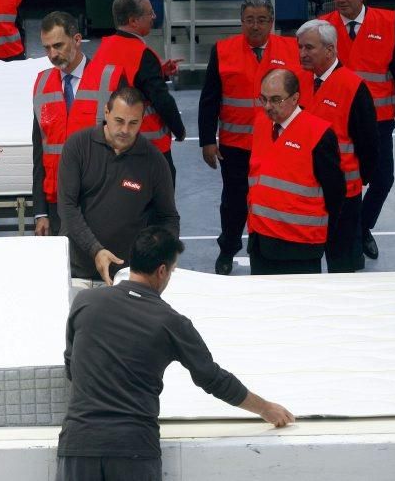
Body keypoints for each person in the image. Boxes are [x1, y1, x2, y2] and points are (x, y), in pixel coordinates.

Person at [57, 226, 294, 481]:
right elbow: (213, 379)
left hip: (77, 444)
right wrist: (265, 408)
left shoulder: (85, 302)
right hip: (133, 448)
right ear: (162, 271)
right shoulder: (171, 323)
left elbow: (72, 367)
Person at [198, 0, 301, 276]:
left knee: (275, 199)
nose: (255, 26)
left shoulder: (291, 49)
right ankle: (227, 249)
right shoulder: (223, 50)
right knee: (234, 202)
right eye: (250, 20)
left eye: (262, 20)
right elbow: (210, 98)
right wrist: (207, 140)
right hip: (236, 146)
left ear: (272, 22)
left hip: (278, 144)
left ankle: (271, 249)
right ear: (241, 21)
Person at [320, 0, 395, 261]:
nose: (340, 0)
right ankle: (338, 234)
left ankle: (362, 227)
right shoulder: (322, 26)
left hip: (379, 120)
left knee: (382, 180)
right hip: (334, 121)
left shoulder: (386, 22)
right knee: (338, 183)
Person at [57, 86, 179, 285]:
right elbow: (67, 207)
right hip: (77, 271)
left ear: (142, 121)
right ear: (106, 112)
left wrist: (168, 252)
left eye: (133, 123)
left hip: (128, 276)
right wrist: (96, 250)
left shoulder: (154, 161)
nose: (125, 130)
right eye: (119, 121)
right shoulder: (77, 146)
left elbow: (168, 216)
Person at [33, 11, 125, 237]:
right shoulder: (42, 83)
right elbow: (39, 151)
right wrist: (40, 212)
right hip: (57, 204)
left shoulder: (110, 80)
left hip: (99, 202)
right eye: (47, 48)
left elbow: (126, 149)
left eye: (58, 45)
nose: (52, 54)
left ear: (76, 40)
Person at [296, 19, 378, 273]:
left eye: (309, 48)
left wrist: (361, 178)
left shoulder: (353, 87)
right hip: (306, 190)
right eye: (300, 47)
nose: (302, 53)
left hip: (344, 192)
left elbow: (368, 143)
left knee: (343, 261)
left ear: (330, 50)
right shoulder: (297, 82)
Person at [247, 69, 345, 275]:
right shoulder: (261, 124)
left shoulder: (319, 134)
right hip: (261, 243)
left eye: (275, 100)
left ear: (295, 98)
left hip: (300, 247)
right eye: (263, 99)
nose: (267, 106)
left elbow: (335, 193)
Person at [89, 0, 186, 182]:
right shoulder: (142, 55)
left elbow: (124, 79)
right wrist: (180, 130)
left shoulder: (103, 48)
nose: (154, 17)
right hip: (148, 150)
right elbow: (162, 100)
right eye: (149, 13)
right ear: (133, 21)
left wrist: (159, 71)